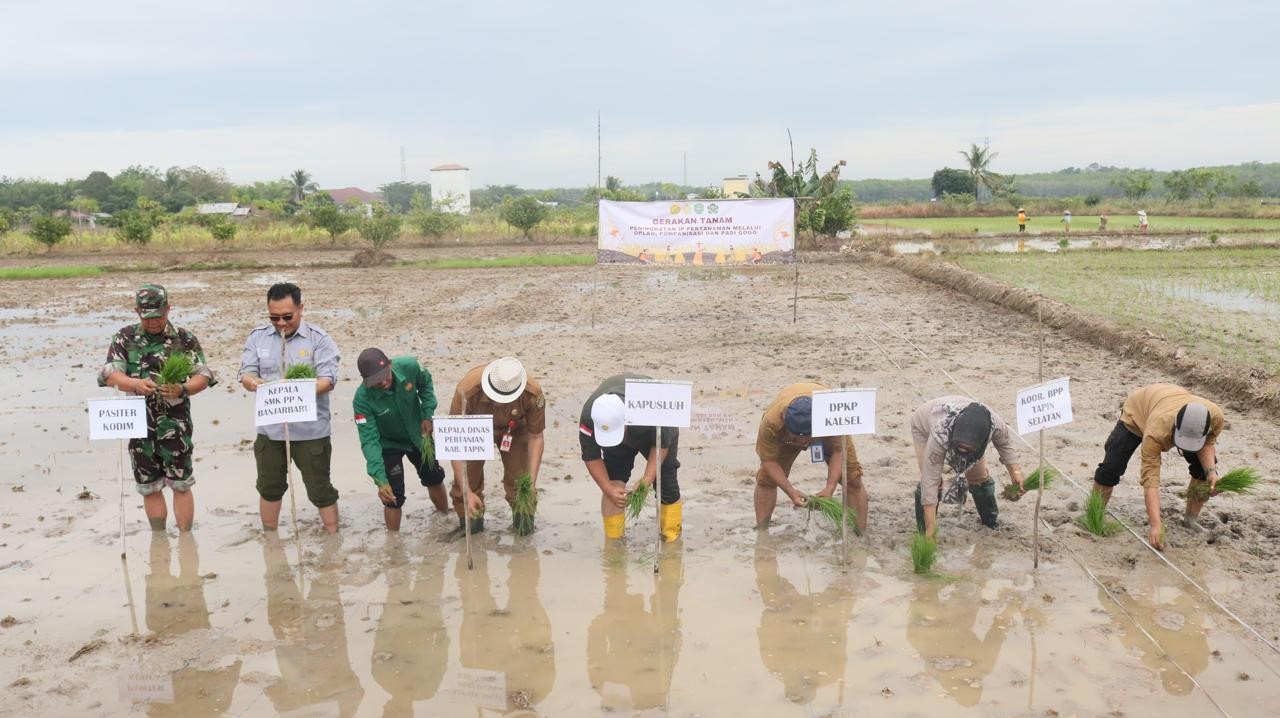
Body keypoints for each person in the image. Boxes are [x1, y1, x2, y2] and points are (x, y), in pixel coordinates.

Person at [98, 284, 216, 532]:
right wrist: (135, 384)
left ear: (168, 309)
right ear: (137, 311)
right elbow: (109, 374)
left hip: (176, 426)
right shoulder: (125, 337)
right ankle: (159, 539)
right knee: (148, 486)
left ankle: (185, 539)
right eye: (147, 317)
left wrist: (182, 389)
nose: (153, 322)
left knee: (181, 483)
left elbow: (204, 375)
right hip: (139, 427)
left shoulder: (184, 339)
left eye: (159, 316)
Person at [239, 282, 341, 533]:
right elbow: (246, 372)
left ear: (301, 309)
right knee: (269, 487)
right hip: (271, 431)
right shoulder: (258, 337)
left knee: (320, 489)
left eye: (287, 316)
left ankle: (332, 536)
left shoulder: (319, 340)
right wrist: (253, 382)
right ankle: (270, 539)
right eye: (274, 317)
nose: (281, 323)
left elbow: (328, 381)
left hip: (311, 432)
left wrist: (296, 389)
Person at [1091, 383, 1225, 550]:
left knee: (1202, 471)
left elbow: (1208, 442)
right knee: (1111, 468)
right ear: (1175, 427)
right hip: (1139, 410)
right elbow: (1150, 479)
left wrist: (1211, 472)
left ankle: (1190, 520)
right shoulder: (1157, 430)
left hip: (1170, 399)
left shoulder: (1216, 417)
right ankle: (1094, 514)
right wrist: (1156, 524)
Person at [352, 348, 448, 530]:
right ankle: (393, 543)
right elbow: (369, 441)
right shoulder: (362, 399)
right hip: (388, 443)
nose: (383, 382)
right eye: (376, 381)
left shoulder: (409, 366)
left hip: (418, 434)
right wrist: (380, 480)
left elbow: (426, 385)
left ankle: (444, 517)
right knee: (393, 497)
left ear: (390, 364)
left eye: (385, 375)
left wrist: (427, 414)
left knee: (434, 477)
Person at [448, 357, 546, 533]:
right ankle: (472, 527)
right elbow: (454, 442)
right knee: (467, 482)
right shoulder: (467, 391)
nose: (499, 403)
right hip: (473, 431)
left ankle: (523, 532)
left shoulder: (532, 393)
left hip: (514, 430)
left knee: (521, 482)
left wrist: (531, 482)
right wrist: (466, 492)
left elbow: (536, 436)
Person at [579, 374, 682, 541]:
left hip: (652, 433)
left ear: (627, 421)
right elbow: (590, 456)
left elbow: (662, 445)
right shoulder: (589, 416)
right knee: (613, 483)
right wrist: (608, 488)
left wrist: (647, 479)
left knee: (666, 482)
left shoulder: (652, 408)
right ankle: (614, 542)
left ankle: (671, 538)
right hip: (622, 436)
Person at [754, 382, 867, 531]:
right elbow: (769, 461)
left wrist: (830, 487)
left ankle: (859, 533)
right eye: (798, 439)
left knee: (852, 479)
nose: (804, 443)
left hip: (824, 432)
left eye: (807, 437)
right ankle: (762, 532)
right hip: (786, 439)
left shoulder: (832, 415)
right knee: (766, 480)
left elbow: (839, 452)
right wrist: (791, 492)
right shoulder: (771, 422)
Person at [912, 396, 1023, 538]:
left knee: (979, 477)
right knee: (934, 482)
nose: (963, 452)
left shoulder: (995, 426)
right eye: (960, 448)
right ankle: (924, 531)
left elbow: (1005, 444)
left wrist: (1016, 472)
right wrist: (931, 528)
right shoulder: (940, 433)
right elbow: (929, 481)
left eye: (968, 449)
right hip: (924, 426)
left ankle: (990, 522)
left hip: (968, 436)